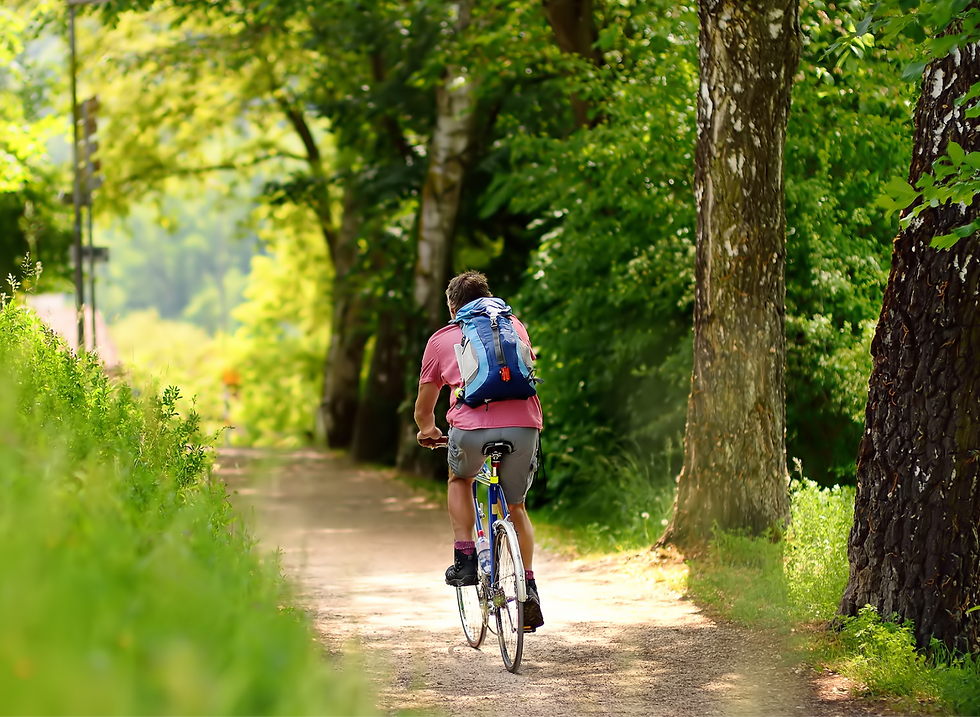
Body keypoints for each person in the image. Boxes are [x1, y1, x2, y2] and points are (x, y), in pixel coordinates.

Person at [414, 270, 544, 631]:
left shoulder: (442, 339)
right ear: (488, 295)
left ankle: (466, 558)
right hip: (524, 426)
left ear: (452, 306)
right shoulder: (514, 325)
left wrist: (428, 430)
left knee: (460, 479)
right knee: (516, 505)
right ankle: (528, 586)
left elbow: (424, 409)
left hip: (469, 429)